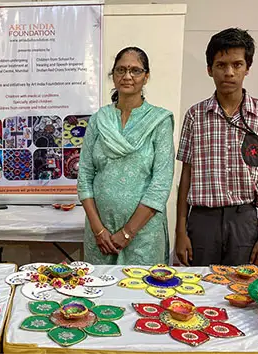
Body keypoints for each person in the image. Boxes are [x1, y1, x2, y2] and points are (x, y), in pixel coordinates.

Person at [176, 28, 258, 266]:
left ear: (247, 68)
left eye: (237, 64)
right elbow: (186, 175)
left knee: (244, 289)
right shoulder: (195, 115)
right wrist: (180, 231)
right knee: (200, 289)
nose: (229, 72)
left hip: (244, 220)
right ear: (210, 69)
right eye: (221, 65)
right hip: (202, 221)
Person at [77, 47, 175, 265]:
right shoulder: (99, 120)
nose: (127, 76)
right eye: (121, 70)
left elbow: (160, 183)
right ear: (113, 75)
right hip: (99, 235)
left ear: (146, 76)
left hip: (143, 235)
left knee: (141, 294)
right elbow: (84, 176)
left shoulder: (159, 121)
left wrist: (128, 233)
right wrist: (98, 229)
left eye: (135, 70)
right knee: (99, 294)